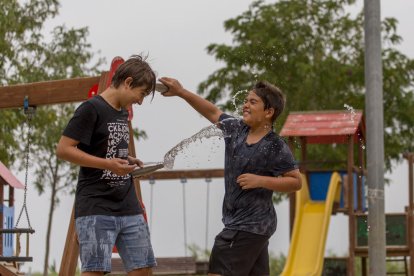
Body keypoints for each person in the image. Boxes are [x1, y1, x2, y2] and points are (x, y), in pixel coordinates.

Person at [159, 77, 302, 276]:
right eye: (245, 100)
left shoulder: (275, 146)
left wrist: (260, 180)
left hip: (248, 225)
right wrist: (182, 92)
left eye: (253, 102)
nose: (245, 105)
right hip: (254, 228)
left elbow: (296, 182)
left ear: (269, 112)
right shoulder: (236, 130)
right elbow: (212, 111)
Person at [56, 55, 157, 276]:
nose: (140, 101)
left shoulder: (122, 112)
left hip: (128, 205)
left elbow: (104, 146)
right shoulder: (90, 109)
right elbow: (63, 149)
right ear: (128, 82)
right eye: (141, 94)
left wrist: (126, 158)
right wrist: (108, 165)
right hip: (96, 206)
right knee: (95, 271)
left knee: (143, 268)